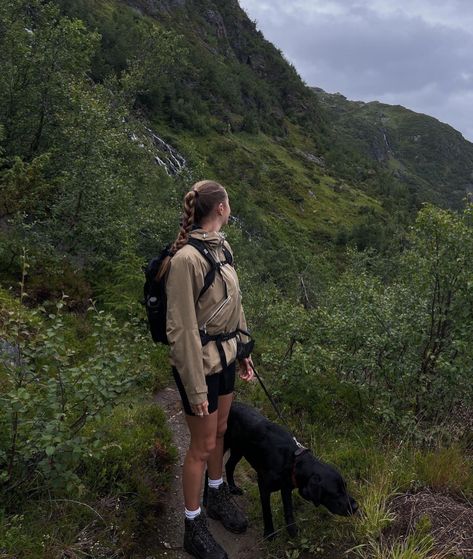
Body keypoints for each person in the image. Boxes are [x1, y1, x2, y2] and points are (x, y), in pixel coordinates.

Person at [163, 180, 255, 559]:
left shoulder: (223, 247)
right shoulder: (186, 259)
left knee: (219, 431)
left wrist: (244, 347)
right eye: (229, 202)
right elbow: (180, 328)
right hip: (199, 365)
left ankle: (216, 494)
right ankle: (192, 523)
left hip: (226, 356)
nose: (230, 207)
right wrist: (196, 389)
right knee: (201, 446)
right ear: (220, 208)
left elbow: (234, 302)